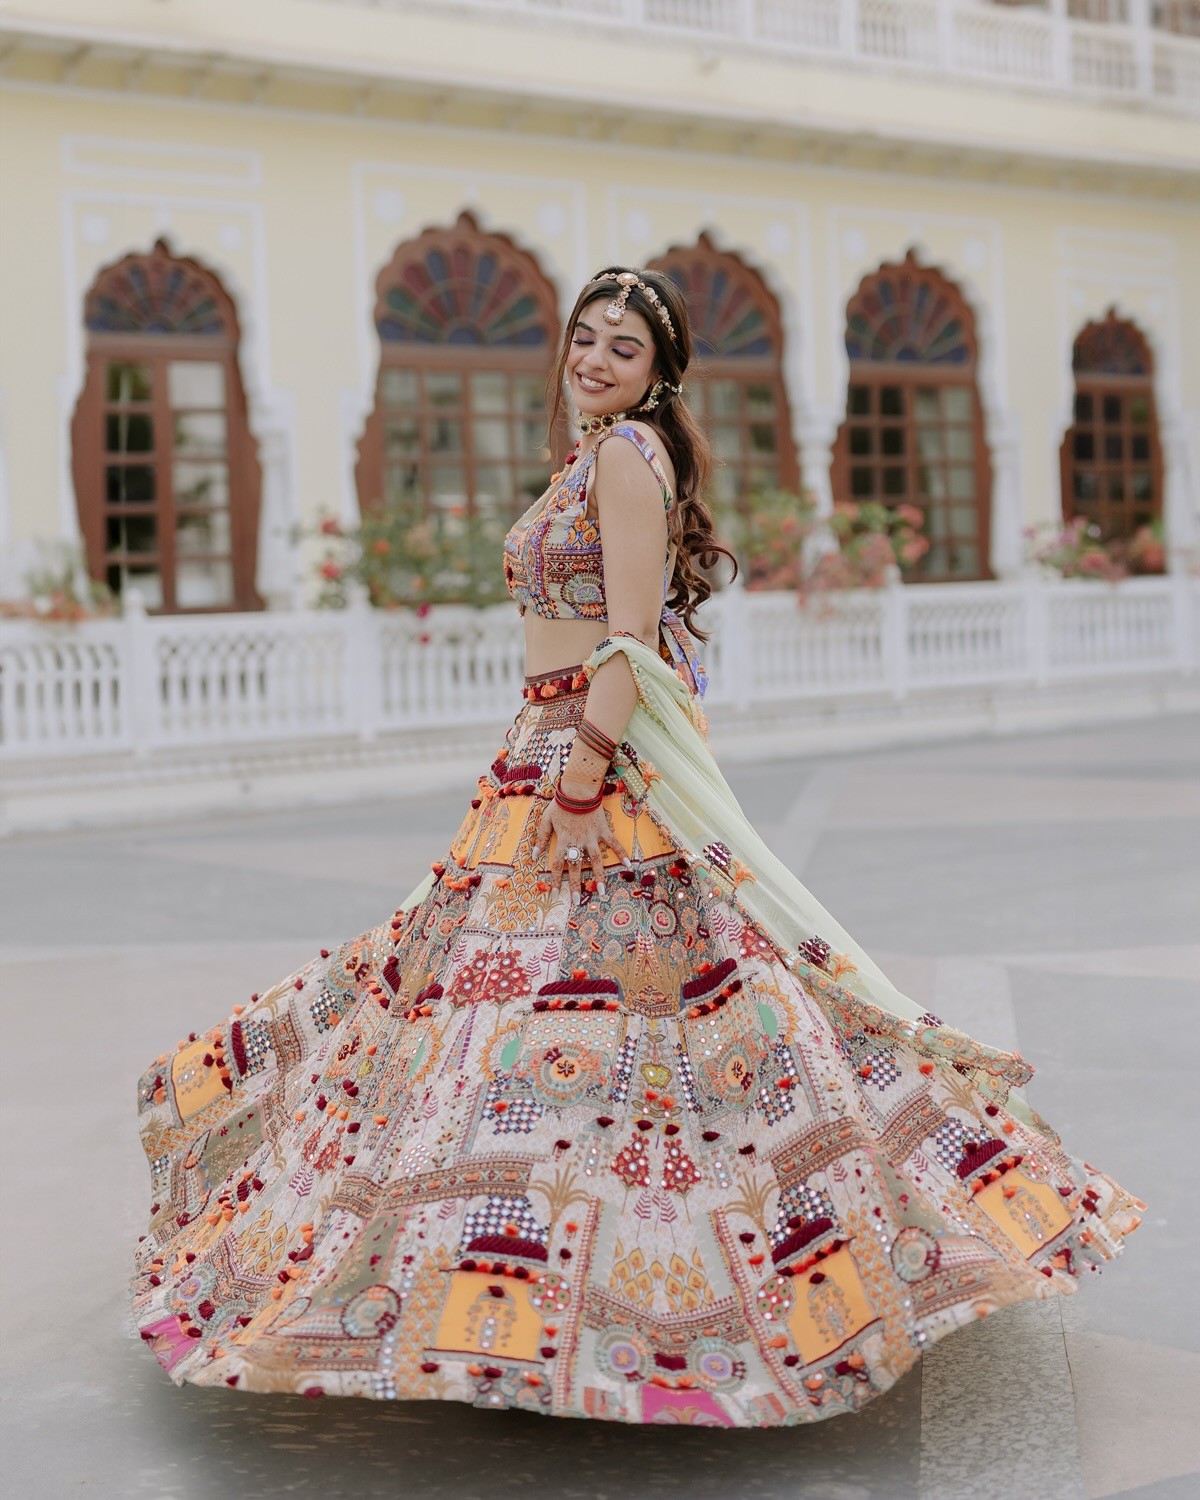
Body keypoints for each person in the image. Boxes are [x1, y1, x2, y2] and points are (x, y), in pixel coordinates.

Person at [131, 266, 1142, 1427]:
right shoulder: (600, 450)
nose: (595, 358)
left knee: (564, 1016)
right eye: (585, 339)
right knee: (523, 1018)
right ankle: (531, 1281)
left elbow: (627, 639)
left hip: (581, 765)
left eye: (623, 347)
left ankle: (621, 1287)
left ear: (660, 374)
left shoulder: (624, 456)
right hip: (542, 751)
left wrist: (578, 778)